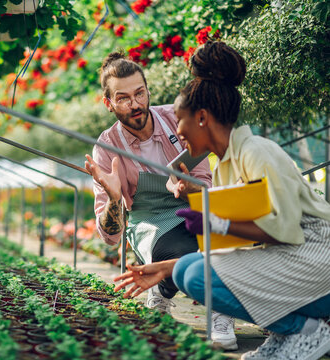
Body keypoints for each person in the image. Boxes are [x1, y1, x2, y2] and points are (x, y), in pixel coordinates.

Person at [113, 41, 330, 360]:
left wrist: (218, 221)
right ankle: (297, 329)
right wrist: (163, 268)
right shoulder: (226, 165)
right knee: (187, 269)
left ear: (201, 117)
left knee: (197, 275)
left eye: (180, 120)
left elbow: (285, 229)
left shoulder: (257, 152)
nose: (179, 133)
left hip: (317, 259)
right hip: (295, 261)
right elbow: (230, 250)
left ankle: (308, 331)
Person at [84, 51, 238, 350]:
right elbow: (110, 237)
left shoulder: (177, 120)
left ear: (148, 90)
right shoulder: (107, 147)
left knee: (226, 238)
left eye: (140, 93)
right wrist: (115, 199)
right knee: (183, 250)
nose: (136, 104)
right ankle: (167, 287)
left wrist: (186, 188)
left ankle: (218, 309)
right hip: (149, 220)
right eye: (124, 98)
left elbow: (205, 186)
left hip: (191, 207)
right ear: (109, 103)